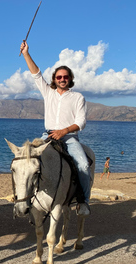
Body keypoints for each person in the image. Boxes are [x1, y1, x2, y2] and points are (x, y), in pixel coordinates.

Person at [20, 41, 91, 216]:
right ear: (54, 79)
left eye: (65, 77)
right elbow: (36, 74)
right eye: (58, 77)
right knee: (29, 162)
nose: (62, 79)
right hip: (48, 135)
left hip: (69, 137)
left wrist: (64, 131)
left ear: (70, 79)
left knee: (82, 165)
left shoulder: (78, 97)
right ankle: (31, 197)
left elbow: (81, 122)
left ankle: (83, 201)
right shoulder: (48, 93)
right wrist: (26, 54)